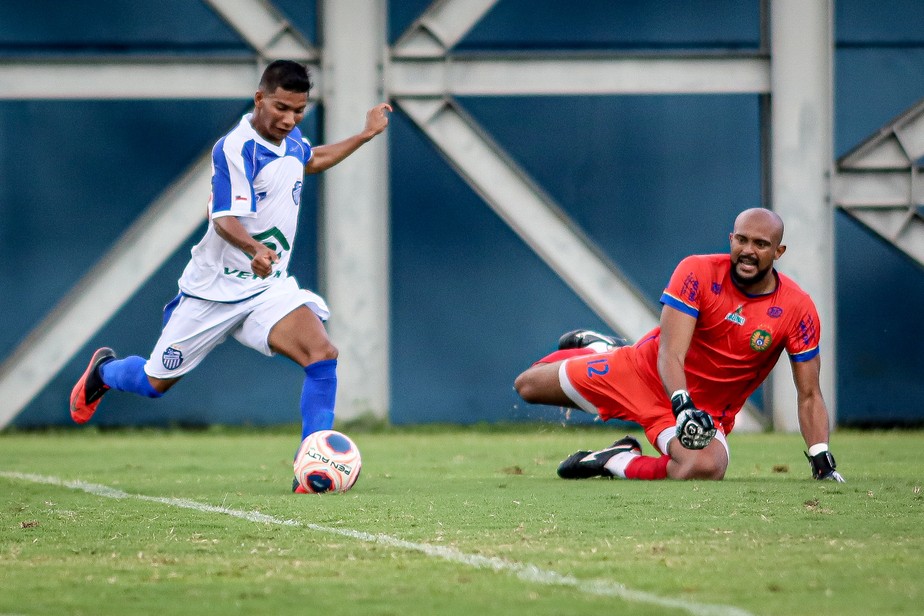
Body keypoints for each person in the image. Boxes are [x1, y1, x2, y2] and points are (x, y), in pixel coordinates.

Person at [69, 60, 391, 492]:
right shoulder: (237, 148)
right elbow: (223, 218)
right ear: (259, 98)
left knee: (322, 355)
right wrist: (255, 248)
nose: (289, 119)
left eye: (298, 111)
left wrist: (365, 135)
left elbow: (310, 159)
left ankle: (309, 468)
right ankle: (104, 372)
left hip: (265, 289)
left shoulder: (290, 139)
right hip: (211, 293)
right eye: (281, 107)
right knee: (153, 382)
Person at [514, 208, 845, 483]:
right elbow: (670, 353)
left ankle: (614, 462)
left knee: (705, 468)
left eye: (761, 244)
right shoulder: (696, 271)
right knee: (527, 386)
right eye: (741, 240)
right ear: (731, 239)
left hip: (705, 411)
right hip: (646, 372)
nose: (747, 250)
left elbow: (809, 394)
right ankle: (602, 351)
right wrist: (682, 405)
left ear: (778, 252)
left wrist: (820, 456)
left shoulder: (797, 308)